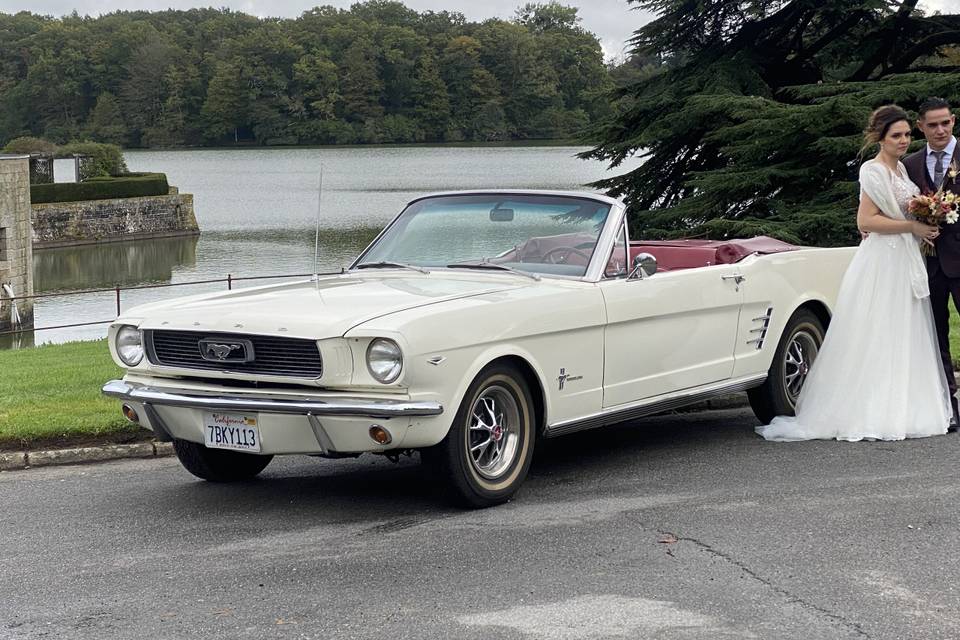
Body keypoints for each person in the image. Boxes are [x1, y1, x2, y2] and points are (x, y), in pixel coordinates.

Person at [757, 105, 951, 441]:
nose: (904, 140)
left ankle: (905, 405)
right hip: (883, 261)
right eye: (896, 136)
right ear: (881, 137)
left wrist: (925, 221)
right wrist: (913, 226)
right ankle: (872, 409)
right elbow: (865, 222)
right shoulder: (872, 171)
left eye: (907, 134)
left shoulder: (903, 172)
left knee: (903, 332)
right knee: (878, 331)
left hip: (904, 258)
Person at [902, 97, 960, 428]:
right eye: (933, 125)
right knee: (935, 339)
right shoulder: (909, 165)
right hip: (928, 264)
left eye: (946, 123)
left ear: (953, 121)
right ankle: (949, 410)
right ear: (920, 126)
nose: (940, 130)